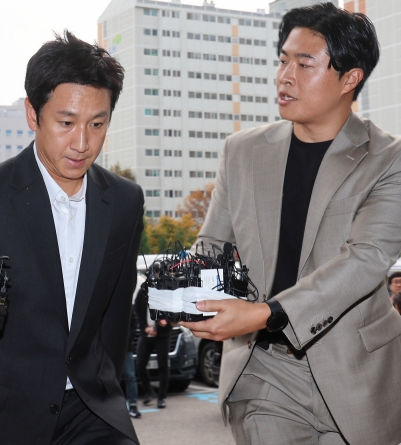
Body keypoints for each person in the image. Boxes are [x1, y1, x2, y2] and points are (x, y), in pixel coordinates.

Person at [179, 4, 401, 444]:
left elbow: (367, 259)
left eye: (304, 64)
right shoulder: (241, 152)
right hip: (265, 371)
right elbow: (212, 245)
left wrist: (267, 312)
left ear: (350, 79)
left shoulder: (388, 159)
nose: (285, 76)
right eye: (283, 60)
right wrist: (183, 290)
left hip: (358, 375)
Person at [0, 31, 143, 445]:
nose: (82, 142)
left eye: (98, 124)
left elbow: (114, 319)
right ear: (32, 113)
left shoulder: (126, 201)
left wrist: (106, 391)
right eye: (66, 123)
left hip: (89, 411)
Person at [134, 287, 171, 409]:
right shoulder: (142, 291)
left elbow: (168, 312)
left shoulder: (165, 291)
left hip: (162, 335)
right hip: (146, 333)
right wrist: (144, 327)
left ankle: (162, 397)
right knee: (140, 364)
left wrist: (157, 328)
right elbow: (138, 310)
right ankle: (148, 391)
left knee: (163, 365)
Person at [122, 304, 141, 418]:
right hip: (108, 349)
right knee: (109, 378)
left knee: (130, 376)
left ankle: (133, 405)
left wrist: (126, 338)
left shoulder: (128, 306)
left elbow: (134, 325)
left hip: (126, 347)